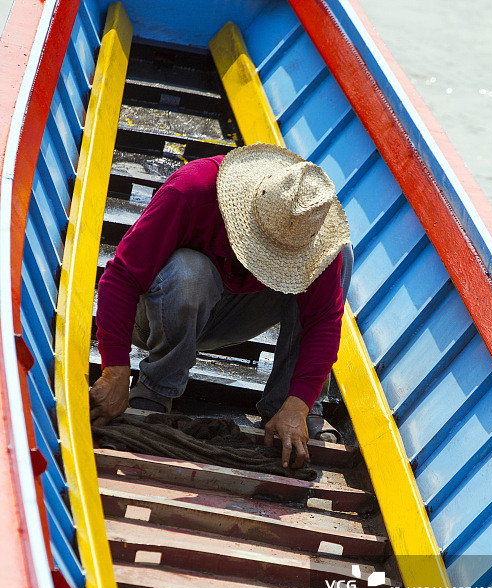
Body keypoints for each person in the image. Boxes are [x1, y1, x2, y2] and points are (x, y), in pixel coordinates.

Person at [90, 143, 352, 469]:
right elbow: (122, 277)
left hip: (233, 316)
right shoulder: (192, 190)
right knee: (189, 271)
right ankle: (158, 387)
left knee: (338, 256)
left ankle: (286, 407)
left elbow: (324, 322)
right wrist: (115, 371)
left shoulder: (309, 231)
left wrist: (299, 402)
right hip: (161, 315)